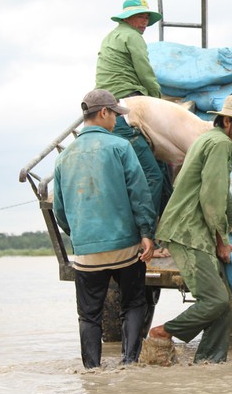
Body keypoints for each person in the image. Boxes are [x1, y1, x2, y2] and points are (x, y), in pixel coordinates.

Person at [148, 95, 232, 363]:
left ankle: (209, 366)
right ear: (227, 121)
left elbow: (220, 193)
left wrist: (229, 227)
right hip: (188, 231)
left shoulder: (210, 140)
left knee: (224, 304)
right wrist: (221, 241)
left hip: (198, 229)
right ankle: (162, 332)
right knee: (215, 301)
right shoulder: (219, 143)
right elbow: (211, 197)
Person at [53, 89, 157, 369]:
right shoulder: (121, 147)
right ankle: (129, 363)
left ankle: (92, 371)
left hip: (86, 253)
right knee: (133, 304)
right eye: (114, 115)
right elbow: (139, 193)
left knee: (89, 316)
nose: (116, 121)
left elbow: (60, 210)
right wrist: (147, 233)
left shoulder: (63, 158)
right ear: (103, 113)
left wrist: (80, 237)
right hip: (124, 247)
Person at [96, 0, 172, 222]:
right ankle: (150, 232)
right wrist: (158, 100)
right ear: (127, 17)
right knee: (153, 175)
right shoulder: (132, 37)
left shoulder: (111, 37)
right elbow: (145, 72)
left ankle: (167, 221)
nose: (144, 22)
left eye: (147, 17)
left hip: (111, 104)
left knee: (160, 165)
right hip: (128, 104)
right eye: (140, 16)